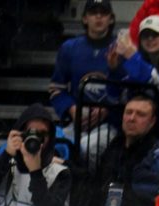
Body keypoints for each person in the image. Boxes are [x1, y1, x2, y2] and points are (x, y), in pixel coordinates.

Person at [49, 0, 120, 162]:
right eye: (93, 12)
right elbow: (56, 89)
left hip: (110, 124)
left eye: (103, 13)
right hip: (77, 121)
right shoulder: (69, 48)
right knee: (55, 145)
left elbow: (128, 92)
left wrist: (108, 109)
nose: (98, 17)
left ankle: (89, 186)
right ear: (85, 19)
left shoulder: (121, 48)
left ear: (111, 19)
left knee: (88, 148)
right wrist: (72, 108)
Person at [78, 90, 159, 206]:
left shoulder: (155, 154)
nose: (132, 118)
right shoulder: (114, 146)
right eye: (128, 112)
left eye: (140, 114)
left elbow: (147, 199)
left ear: (152, 121)